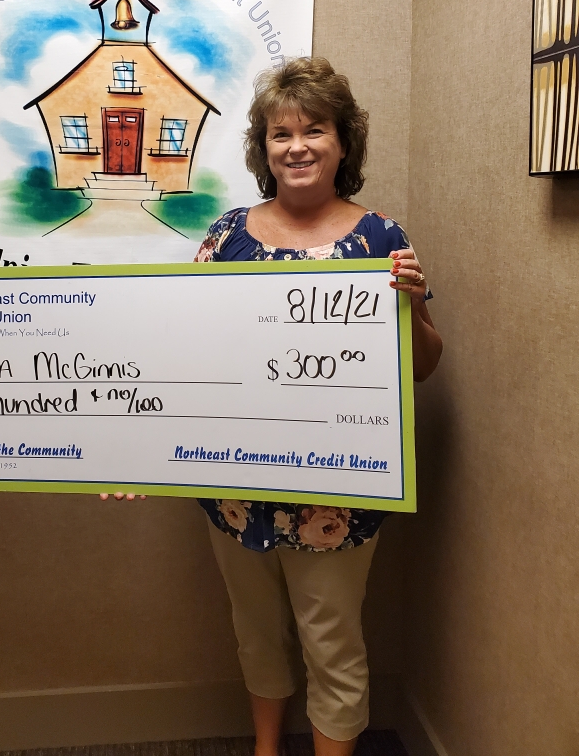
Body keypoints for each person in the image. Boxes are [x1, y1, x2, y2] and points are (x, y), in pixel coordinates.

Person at [103, 57, 442, 756]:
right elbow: (182, 355)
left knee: (332, 641)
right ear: (263, 149)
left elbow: (422, 368)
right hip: (235, 488)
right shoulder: (227, 235)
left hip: (336, 494)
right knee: (255, 631)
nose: (297, 147)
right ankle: (265, 748)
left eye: (314, 130)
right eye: (280, 133)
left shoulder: (381, 241)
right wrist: (137, 453)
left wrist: (409, 309)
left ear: (343, 142)